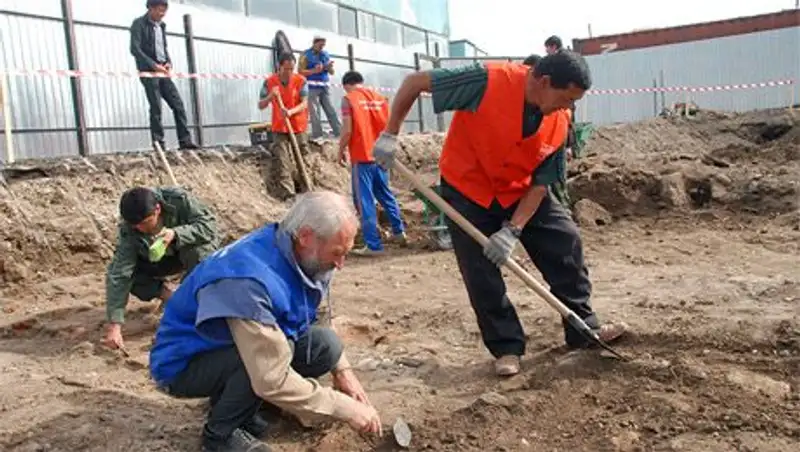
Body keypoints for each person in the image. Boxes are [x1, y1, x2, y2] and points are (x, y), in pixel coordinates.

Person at [370, 51, 628, 377]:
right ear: (544, 81)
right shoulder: (486, 81)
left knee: (565, 241)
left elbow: (541, 183)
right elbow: (415, 82)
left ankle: (583, 329)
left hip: (518, 192)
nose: (568, 108)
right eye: (565, 99)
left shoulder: (558, 120)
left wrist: (512, 230)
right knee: (480, 273)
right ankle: (506, 347)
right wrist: (391, 133)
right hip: (467, 190)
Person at [149, 191, 382, 452]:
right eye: (337, 253)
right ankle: (220, 435)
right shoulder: (248, 281)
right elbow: (269, 376)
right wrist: (344, 407)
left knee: (325, 345)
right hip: (184, 363)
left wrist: (344, 372)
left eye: (346, 253)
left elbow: (313, 315)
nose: (341, 264)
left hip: (229, 345)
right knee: (262, 363)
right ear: (306, 236)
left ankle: (253, 403)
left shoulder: (302, 253)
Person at [104, 186, 219, 350]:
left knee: (199, 253)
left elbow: (210, 227)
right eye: (135, 226)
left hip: (188, 251)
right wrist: (114, 326)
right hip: (157, 260)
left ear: (157, 209)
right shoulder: (130, 229)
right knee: (124, 273)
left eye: (144, 223)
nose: (140, 229)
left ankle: (192, 305)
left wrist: (176, 234)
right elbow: (120, 273)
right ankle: (170, 296)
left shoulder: (179, 201)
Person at [338, 70, 408, 256]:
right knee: (386, 195)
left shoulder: (349, 99)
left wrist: (340, 149)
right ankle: (399, 232)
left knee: (365, 201)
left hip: (362, 157)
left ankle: (373, 245)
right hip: (381, 155)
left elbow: (347, 130)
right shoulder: (379, 98)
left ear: (347, 84)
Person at [129, 0, 198, 151]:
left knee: (178, 104)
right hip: (149, 72)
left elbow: (163, 47)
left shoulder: (162, 26)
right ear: (151, 8)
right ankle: (158, 143)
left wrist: (168, 62)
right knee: (156, 107)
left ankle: (185, 141)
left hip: (163, 72)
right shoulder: (139, 24)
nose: (162, 14)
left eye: (164, 11)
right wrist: (153, 66)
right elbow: (135, 49)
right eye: (160, 11)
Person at [521, 53, 574, 208]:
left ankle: (563, 206)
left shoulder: (557, 107)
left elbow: (567, 125)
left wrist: (569, 146)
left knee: (554, 182)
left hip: (554, 148)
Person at [258, 52, 311, 202]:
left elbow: (304, 103)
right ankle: (289, 195)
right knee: (282, 160)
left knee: (302, 158)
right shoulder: (269, 82)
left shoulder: (301, 81)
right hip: (279, 127)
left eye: (291, 69)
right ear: (279, 67)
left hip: (298, 126)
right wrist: (270, 97)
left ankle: (307, 190)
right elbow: (261, 105)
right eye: (286, 69)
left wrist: (290, 112)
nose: (289, 72)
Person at [299, 36, 342, 140]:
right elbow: (300, 72)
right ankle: (318, 136)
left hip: (324, 86)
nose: (322, 47)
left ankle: (339, 133)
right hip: (312, 87)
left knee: (330, 110)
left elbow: (331, 72)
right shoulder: (305, 55)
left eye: (323, 45)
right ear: (314, 43)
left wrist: (329, 67)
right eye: (320, 45)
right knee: (315, 112)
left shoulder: (325, 54)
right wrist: (314, 71)